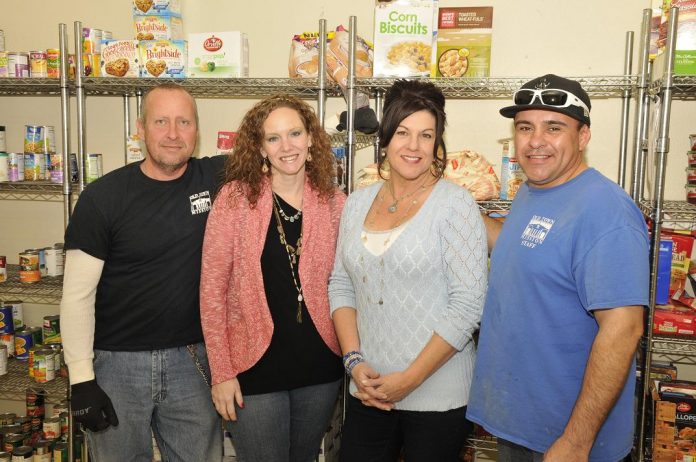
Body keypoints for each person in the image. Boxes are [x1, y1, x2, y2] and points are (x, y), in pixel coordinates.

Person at [466, 74, 648, 462]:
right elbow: (524, 250)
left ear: (583, 136)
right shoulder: (535, 191)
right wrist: (459, 207)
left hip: (569, 440)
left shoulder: (606, 211)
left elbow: (624, 328)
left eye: (554, 127)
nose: (536, 141)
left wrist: (576, 441)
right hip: (523, 425)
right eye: (525, 127)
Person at [60, 83, 225, 462]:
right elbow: (77, 296)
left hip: (193, 362)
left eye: (184, 122)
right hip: (117, 367)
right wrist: (82, 379)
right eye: (161, 121)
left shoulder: (215, 178)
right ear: (140, 128)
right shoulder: (103, 198)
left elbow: (275, 149)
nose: (172, 133)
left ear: (197, 131)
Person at [328, 79, 488, 462]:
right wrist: (354, 362)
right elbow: (341, 285)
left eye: (425, 135)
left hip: (438, 396)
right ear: (385, 138)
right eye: (402, 133)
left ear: (437, 144)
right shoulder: (357, 203)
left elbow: (468, 304)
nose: (413, 146)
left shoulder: (456, 205)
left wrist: (410, 380)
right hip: (368, 390)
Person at [199, 94, 346, 462]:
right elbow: (212, 290)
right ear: (260, 147)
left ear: (311, 138)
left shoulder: (334, 202)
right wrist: (221, 372)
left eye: (295, 133)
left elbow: (349, 283)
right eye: (273, 138)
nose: (287, 146)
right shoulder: (236, 198)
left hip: (320, 367)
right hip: (253, 367)